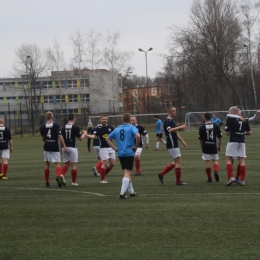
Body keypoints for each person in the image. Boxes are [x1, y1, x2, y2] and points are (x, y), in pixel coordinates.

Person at [106, 113, 140, 199]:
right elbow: (138, 135)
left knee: (127, 172)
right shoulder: (132, 127)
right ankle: (122, 193)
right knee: (127, 173)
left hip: (120, 153)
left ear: (122, 119)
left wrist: (114, 148)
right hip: (129, 152)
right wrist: (136, 147)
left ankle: (131, 191)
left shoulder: (117, 129)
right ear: (130, 120)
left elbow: (107, 139)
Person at [226, 106, 257, 183]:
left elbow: (227, 133)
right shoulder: (245, 120)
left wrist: (232, 132)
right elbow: (249, 132)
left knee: (229, 159)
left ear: (233, 112)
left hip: (233, 140)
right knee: (242, 161)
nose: (228, 113)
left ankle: (231, 177)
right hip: (242, 141)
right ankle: (242, 180)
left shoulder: (230, 119)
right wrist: (242, 133)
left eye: (229, 111)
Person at [158, 106, 188, 185]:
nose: (175, 112)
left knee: (176, 161)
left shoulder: (171, 121)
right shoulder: (168, 121)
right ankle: (178, 181)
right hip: (172, 143)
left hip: (173, 143)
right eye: (174, 111)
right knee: (178, 161)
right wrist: (180, 127)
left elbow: (175, 132)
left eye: (175, 111)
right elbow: (170, 130)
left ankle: (161, 174)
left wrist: (182, 141)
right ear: (170, 112)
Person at [40, 111, 68, 187]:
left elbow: (42, 139)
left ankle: (47, 182)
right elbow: (60, 136)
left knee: (47, 164)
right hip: (54, 147)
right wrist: (64, 146)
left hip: (46, 147)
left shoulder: (42, 126)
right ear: (52, 117)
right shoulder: (56, 125)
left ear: (46, 117)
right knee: (57, 163)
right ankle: (58, 176)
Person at [86, 115, 115, 184]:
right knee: (105, 163)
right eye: (103, 119)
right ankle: (102, 180)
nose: (104, 120)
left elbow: (115, 136)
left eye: (105, 119)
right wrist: (86, 135)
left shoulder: (110, 127)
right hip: (103, 148)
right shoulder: (98, 128)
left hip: (111, 148)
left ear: (107, 120)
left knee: (112, 164)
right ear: (101, 120)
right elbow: (93, 136)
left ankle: (103, 174)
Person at [60, 113, 87, 186]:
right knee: (74, 165)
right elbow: (80, 138)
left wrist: (61, 148)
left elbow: (61, 139)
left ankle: (62, 175)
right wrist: (84, 134)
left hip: (64, 147)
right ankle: (74, 182)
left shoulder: (63, 127)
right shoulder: (75, 127)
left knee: (66, 164)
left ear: (68, 119)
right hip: (72, 147)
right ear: (74, 119)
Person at [198, 113, 222, 182]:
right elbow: (220, 137)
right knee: (215, 160)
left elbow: (201, 140)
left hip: (206, 146)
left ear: (205, 118)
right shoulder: (215, 126)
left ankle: (209, 178)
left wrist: (202, 148)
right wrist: (219, 146)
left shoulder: (202, 127)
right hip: (213, 145)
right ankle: (216, 170)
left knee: (207, 162)